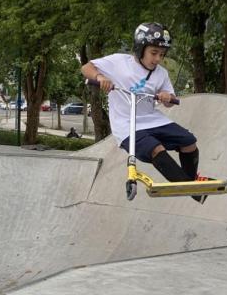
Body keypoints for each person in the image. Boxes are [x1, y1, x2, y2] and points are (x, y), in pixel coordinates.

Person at [80, 22, 206, 203]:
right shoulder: (119, 62)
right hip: (126, 124)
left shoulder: (161, 73)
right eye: (153, 53)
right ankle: (191, 189)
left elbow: (171, 98)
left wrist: (166, 97)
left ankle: (190, 183)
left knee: (189, 143)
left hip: (153, 120)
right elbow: (86, 68)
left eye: (161, 55)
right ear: (140, 49)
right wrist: (100, 77)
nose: (157, 59)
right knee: (156, 149)